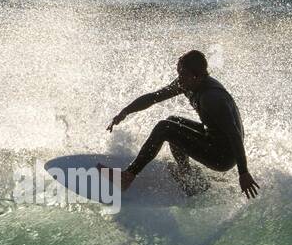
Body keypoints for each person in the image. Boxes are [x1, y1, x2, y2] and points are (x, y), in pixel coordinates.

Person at [105, 50, 259, 198]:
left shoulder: (212, 98)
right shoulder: (187, 83)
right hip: (211, 137)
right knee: (173, 121)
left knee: (165, 127)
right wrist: (125, 111)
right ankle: (186, 175)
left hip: (223, 156)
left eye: (183, 75)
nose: (179, 79)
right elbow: (154, 97)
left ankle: (127, 177)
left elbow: (234, 135)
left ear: (197, 76)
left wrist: (243, 173)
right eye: (179, 73)